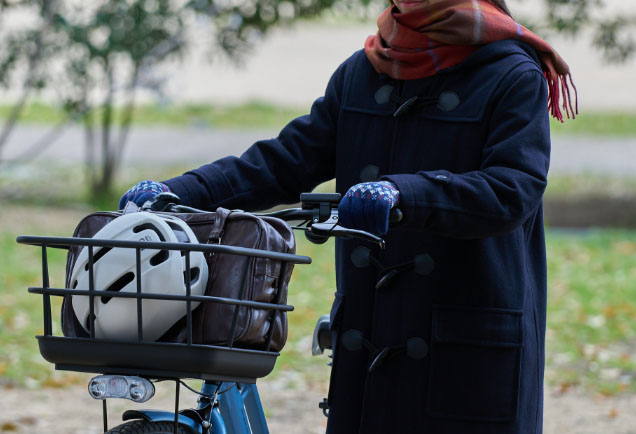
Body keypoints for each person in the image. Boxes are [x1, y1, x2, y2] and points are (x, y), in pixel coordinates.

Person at [120, 0, 577, 432]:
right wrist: (178, 192)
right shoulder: (363, 71)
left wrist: (404, 193)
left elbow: (512, 188)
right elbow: (284, 161)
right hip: (372, 333)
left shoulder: (513, 73)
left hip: (466, 343)